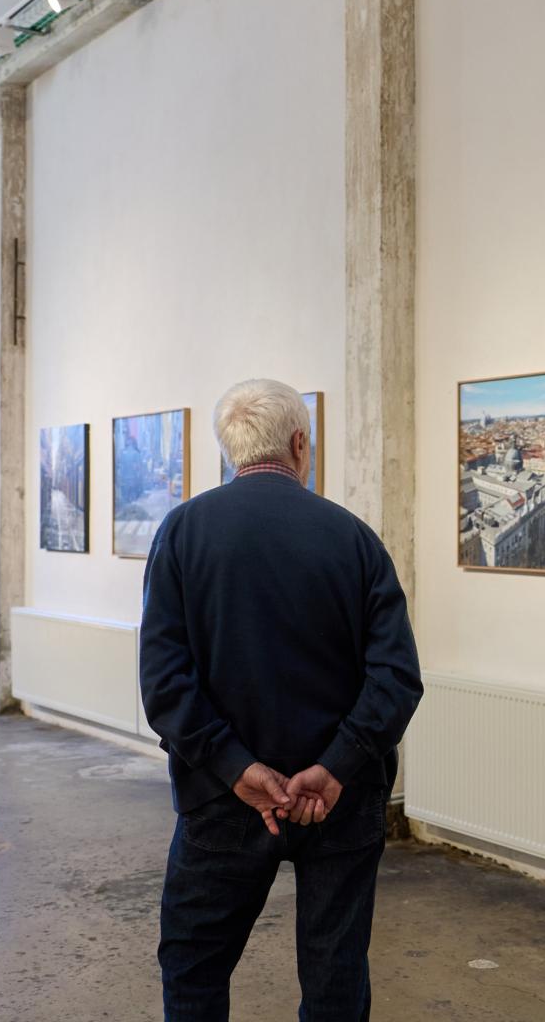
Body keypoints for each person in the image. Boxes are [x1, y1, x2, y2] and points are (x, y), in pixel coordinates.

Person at [140, 378, 423, 1021]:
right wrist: (337, 765)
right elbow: (397, 676)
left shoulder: (182, 532)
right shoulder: (352, 538)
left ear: (230, 450)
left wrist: (236, 766)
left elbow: (164, 680)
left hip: (223, 797)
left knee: (194, 967)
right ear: (301, 444)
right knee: (334, 976)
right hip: (336, 801)